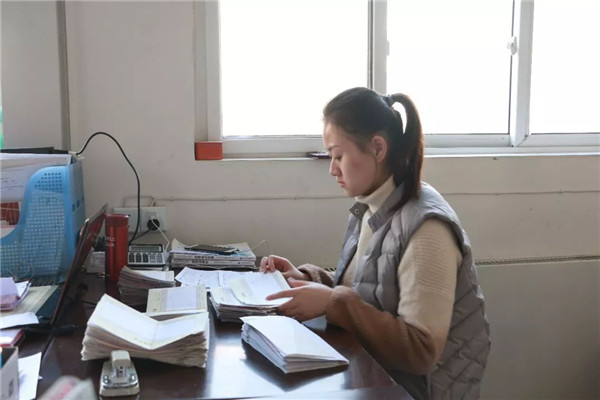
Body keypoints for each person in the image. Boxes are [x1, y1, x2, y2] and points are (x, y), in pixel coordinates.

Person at [260, 87, 491, 400]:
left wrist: (331, 302)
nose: (332, 169)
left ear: (378, 148)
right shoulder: (372, 206)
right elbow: (369, 291)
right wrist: (307, 279)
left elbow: (421, 353)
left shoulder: (427, 229)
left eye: (338, 156)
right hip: (374, 378)